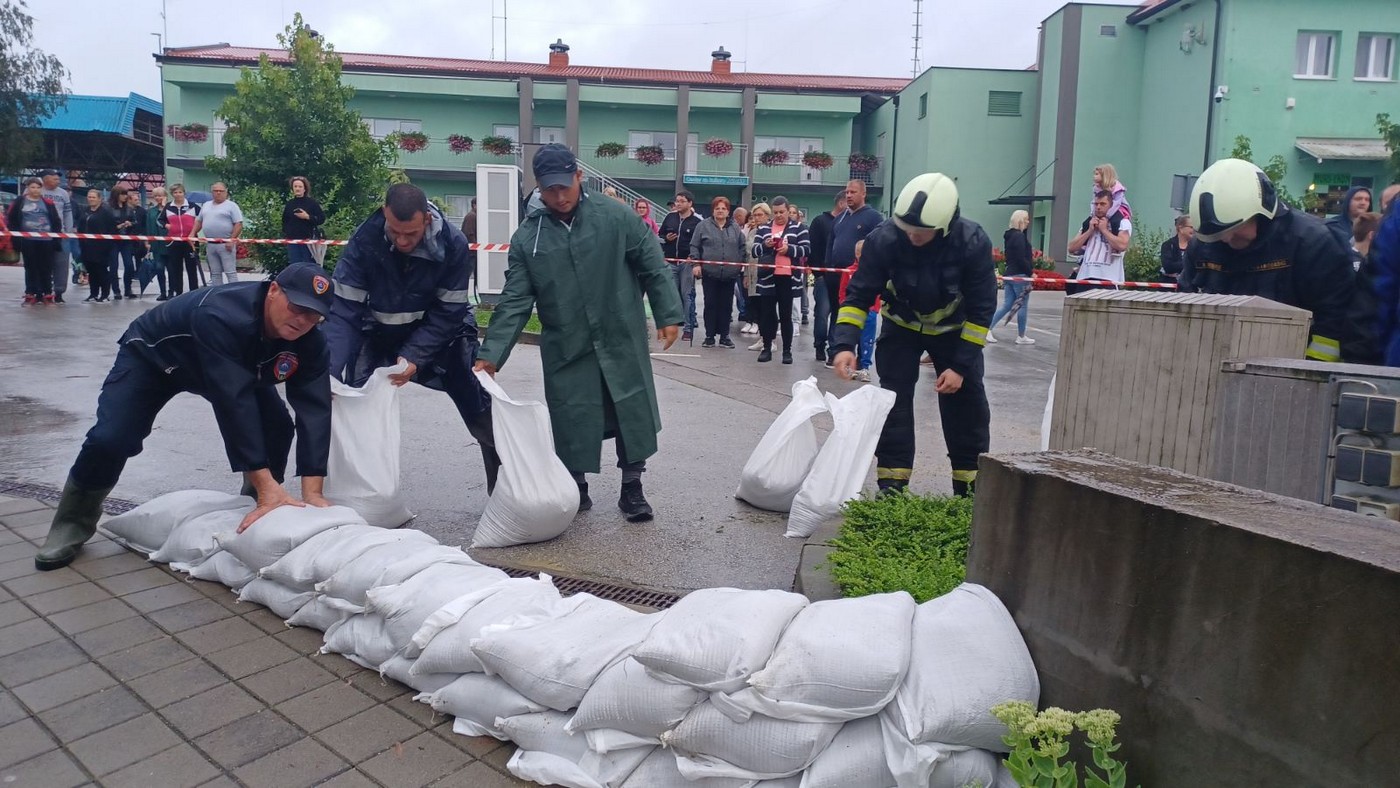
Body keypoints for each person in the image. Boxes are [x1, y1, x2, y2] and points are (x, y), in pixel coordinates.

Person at [32, 263, 336, 570]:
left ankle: (257, 505)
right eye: (297, 307)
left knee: (277, 428)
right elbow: (233, 403)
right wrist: (264, 479)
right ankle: (72, 522)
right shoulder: (221, 314)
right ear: (273, 290)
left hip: (230, 368)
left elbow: (315, 410)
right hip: (155, 359)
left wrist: (313, 494)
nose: (303, 320)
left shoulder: (310, 341)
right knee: (111, 439)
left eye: (314, 315)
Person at [475, 144, 685, 522]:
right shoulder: (529, 237)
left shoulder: (615, 217)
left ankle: (632, 487)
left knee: (630, 409)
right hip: (566, 340)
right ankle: (576, 485)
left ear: (579, 176)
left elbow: (652, 264)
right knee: (571, 413)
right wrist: (491, 354)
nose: (559, 197)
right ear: (539, 187)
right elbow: (515, 300)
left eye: (564, 187)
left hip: (619, 332)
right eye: (549, 189)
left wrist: (669, 313)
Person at [325, 184, 501, 494]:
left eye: (412, 233)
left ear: (427, 220)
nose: (403, 241)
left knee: (477, 403)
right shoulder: (364, 240)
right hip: (378, 332)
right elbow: (344, 312)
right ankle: (365, 493)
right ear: (385, 213)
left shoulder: (453, 244)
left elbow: (448, 312)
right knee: (355, 405)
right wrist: (329, 372)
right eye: (395, 232)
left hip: (443, 333)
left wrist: (414, 356)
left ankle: (503, 488)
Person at [832, 173, 996, 498]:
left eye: (920, 232)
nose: (911, 236)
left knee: (966, 406)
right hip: (901, 327)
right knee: (893, 402)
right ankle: (892, 485)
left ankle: (969, 488)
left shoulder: (972, 242)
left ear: (944, 226)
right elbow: (858, 295)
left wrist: (960, 367)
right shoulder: (885, 238)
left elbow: (982, 311)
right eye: (906, 229)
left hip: (953, 331)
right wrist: (844, 344)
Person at [1182, 157, 1366, 363]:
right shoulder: (1203, 246)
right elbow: (1185, 309)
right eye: (1217, 235)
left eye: (1234, 229)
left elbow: (1333, 323)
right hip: (1209, 366)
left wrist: (1305, 372)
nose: (1226, 239)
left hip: (1290, 368)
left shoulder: (1314, 244)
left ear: (1263, 212)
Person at [824, 180, 883, 364]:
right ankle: (836, 352)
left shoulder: (874, 218)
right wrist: (827, 268)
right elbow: (831, 243)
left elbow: (879, 246)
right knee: (837, 315)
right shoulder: (840, 218)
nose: (848, 195)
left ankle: (859, 359)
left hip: (860, 278)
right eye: (847, 192)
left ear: (863, 194)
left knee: (859, 317)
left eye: (853, 192)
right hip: (837, 276)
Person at [750, 196, 810, 364]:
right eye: (775, 212)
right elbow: (754, 251)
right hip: (768, 276)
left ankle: (787, 351)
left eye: (782, 212)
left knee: (785, 315)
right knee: (767, 315)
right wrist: (766, 245)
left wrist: (788, 249)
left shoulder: (799, 228)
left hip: (788, 277)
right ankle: (767, 348)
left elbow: (806, 249)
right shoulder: (764, 228)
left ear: (788, 211)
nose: (778, 215)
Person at [690, 196, 747, 348]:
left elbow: (742, 246)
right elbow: (694, 246)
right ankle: (709, 336)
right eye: (717, 208)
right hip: (710, 273)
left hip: (729, 274)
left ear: (728, 212)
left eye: (723, 208)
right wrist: (696, 264)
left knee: (726, 306)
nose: (720, 211)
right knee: (710, 304)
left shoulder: (735, 228)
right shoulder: (703, 226)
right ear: (713, 210)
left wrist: (739, 264)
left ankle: (724, 336)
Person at [7, 178, 62, 305]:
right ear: (27, 188)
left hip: (46, 240)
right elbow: (12, 219)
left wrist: (56, 238)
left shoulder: (48, 203)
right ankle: (30, 293)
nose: (35, 190)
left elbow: (56, 221)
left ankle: (46, 293)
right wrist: (16, 237)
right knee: (30, 267)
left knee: (46, 267)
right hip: (28, 240)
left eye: (38, 187)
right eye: (32, 187)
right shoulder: (20, 202)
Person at [808, 191, 847, 361]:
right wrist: (818, 274)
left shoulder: (847, 223)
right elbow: (813, 249)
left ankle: (833, 349)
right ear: (841, 203)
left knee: (838, 315)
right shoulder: (820, 222)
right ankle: (819, 346)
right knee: (822, 314)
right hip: (824, 277)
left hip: (841, 278)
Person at [987, 209, 1035, 345]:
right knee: (1022, 305)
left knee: (1007, 304)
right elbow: (1021, 258)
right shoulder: (1019, 237)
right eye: (1026, 219)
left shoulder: (1010, 236)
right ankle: (1021, 336)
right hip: (1020, 275)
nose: (1028, 222)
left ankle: (987, 328)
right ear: (1021, 220)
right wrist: (1030, 272)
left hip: (1009, 274)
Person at [659, 190, 701, 341]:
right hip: (670, 261)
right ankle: (670, 327)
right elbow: (660, 235)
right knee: (671, 296)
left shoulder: (697, 222)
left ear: (690, 203)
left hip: (686, 263)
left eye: (682, 201)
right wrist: (666, 238)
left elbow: (699, 243)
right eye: (677, 201)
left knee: (687, 295)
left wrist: (694, 258)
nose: (678, 204)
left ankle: (688, 328)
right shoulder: (670, 217)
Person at [1068, 192, 1132, 286]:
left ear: (1111, 206)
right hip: (1085, 277)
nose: (1098, 207)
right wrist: (1089, 231)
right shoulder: (1089, 224)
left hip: (1109, 278)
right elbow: (1071, 248)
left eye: (1102, 204)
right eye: (1096, 204)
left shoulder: (1122, 222)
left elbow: (1122, 245)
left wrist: (1104, 230)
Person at [838, 239, 879, 381]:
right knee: (851, 338)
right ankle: (850, 366)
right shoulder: (848, 271)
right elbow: (843, 290)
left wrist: (875, 309)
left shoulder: (875, 271)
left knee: (867, 341)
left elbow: (878, 293)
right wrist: (843, 304)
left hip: (870, 312)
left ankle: (865, 367)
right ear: (856, 254)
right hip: (852, 311)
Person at [194, 182, 244, 285]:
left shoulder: (232, 206)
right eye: (215, 191)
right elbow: (199, 221)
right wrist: (192, 234)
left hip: (225, 244)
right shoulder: (206, 205)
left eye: (221, 191)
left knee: (230, 272)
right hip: (210, 244)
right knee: (215, 273)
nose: (218, 193)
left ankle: (234, 292)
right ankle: (217, 292)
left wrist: (231, 240)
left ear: (226, 192)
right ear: (212, 192)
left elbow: (238, 224)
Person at [39, 170, 75, 303]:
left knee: (61, 264)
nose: (58, 181)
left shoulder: (63, 194)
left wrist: (68, 231)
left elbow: (67, 213)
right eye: (55, 179)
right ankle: (42, 290)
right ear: (45, 179)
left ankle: (59, 292)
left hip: (60, 234)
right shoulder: (37, 190)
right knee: (42, 264)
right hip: (41, 235)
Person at [75, 188, 117, 302]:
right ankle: (93, 293)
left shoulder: (106, 213)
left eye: (93, 197)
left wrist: (107, 246)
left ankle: (105, 294)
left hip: (101, 247)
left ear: (99, 199)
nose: (91, 199)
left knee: (101, 271)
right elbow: (80, 226)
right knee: (91, 271)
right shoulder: (85, 211)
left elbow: (112, 230)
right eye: (89, 197)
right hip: (86, 246)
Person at [163, 184, 202, 295]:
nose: (178, 194)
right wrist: (166, 225)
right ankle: (178, 293)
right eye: (175, 192)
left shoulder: (192, 206)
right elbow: (159, 220)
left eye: (180, 192)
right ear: (172, 194)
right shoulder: (168, 206)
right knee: (176, 269)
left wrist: (195, 231)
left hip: (191, 242)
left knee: (191, 268)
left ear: (184, 193)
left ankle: (193, 293)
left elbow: (202, 219)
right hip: (174, 242)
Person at [281, 176, 326, 267]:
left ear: (305, 189)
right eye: (295, 186)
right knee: (295, 266)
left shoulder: (312, 203)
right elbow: (284, 221)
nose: (297, 189)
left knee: (308, 266)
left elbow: (321, 219)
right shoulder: (289, 204)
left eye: (300, 186)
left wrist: (307, 217)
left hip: (308, 241)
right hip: (293, 241)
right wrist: (287, 233)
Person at [741, 203, 770, 339]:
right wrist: (746, 274)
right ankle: (750, 320)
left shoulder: (770, 231)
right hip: (751, 269)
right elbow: (747, 254)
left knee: (762, 299)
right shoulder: (752, 232)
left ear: (767, 215)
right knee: (750, 298)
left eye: (760, 215)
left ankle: (759, 323)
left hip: (764, 270)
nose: (757, 218)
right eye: (754, 215)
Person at [109, 187, 143, 300]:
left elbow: (135, 222)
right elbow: (105, 224)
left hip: (126, 239)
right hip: (113, 240)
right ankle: (116, 290)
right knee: (113, 266)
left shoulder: (128, 209)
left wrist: (130, 224)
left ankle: (128, 289)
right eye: (122, 194)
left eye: (125, 194)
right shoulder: (108, 208)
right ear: (116, 195)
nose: (125, 197)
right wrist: (116, 227)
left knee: (129, 265)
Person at [143, 187, 170, 300]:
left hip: (169, 244)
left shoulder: (169, 209)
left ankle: (172, 291)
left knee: (172, 270)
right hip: (157, 245)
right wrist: (148, 241)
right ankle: (163, 292)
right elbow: (148, 226)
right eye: (156, 196)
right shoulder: (151, 211)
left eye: (160, 196)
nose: (158, 198)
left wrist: (164, 207)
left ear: (165, 196)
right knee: (159, 269)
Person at [1325, 186, 1372, 252]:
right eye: (1358, 199)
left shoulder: (1374, 225)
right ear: (1348, 201)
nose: (1363, 203)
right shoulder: (1333, 224)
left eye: (1367, 200)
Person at [1158, 214, 1194, 285]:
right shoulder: (1168, 245)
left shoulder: (1196, 246)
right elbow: (1168, 267)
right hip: (1169, 286)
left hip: (1190, 286)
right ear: (1181, 229)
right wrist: (1189, 265)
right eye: (1191, 227)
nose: (1194, 230)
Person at [461, 197, 479, 293]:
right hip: (470, 253)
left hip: (471, 252)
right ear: (474, 205)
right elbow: (469, 233)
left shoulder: (473, 216)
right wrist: (476, 247)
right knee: (465, 275)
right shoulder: (471, 216)